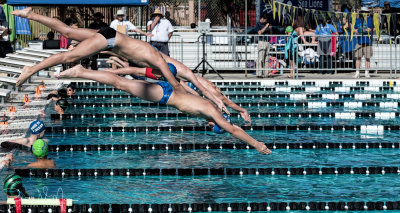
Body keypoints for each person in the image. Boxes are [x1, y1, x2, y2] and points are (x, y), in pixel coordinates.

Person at [57, 65, 271, 155]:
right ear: (216, 122)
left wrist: (237, 108)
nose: (209, 124)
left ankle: (86, 70)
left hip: (171, 86)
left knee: (131, 74)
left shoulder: (211, 105)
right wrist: (256, 144)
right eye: (213, 126)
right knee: (121, 83)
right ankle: (82, 71)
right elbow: (233, 130)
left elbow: (197, 89)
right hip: (165, 95)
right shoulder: (213, 113)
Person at [106, 56, 251, 123]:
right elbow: (224, 100)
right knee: (137, 75)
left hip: (183, 85)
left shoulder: (198, 91)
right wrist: (241, 110)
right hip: (184, 86)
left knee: (138, 75)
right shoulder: (206, 93)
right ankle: (116, 62)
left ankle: (116, 62)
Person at [353, 7, 374, 78]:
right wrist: (355, 31)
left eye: (364, 12)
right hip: (359, 41)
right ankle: (357, 72)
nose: (363, 13)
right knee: (358, 58)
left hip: (368, 42)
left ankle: (367, 73)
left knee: (367, 58)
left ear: (367, 13)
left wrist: (370, 29)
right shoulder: (357, 20)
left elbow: (375, 28)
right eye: (362, 12)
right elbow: (354, 28)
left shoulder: (370, 19)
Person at [254, 13, 272, 77]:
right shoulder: (258, 24)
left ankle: (266, 73)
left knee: (266, 59)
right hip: (262, 42)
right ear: (262, 19)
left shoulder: (266, 24)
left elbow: (270, 33)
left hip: (267, 42)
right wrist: (265, 27)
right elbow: (259, 33)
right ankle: (258, 74)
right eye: (265, 20)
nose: (266, 21)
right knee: (260, 59)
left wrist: (270, 28)